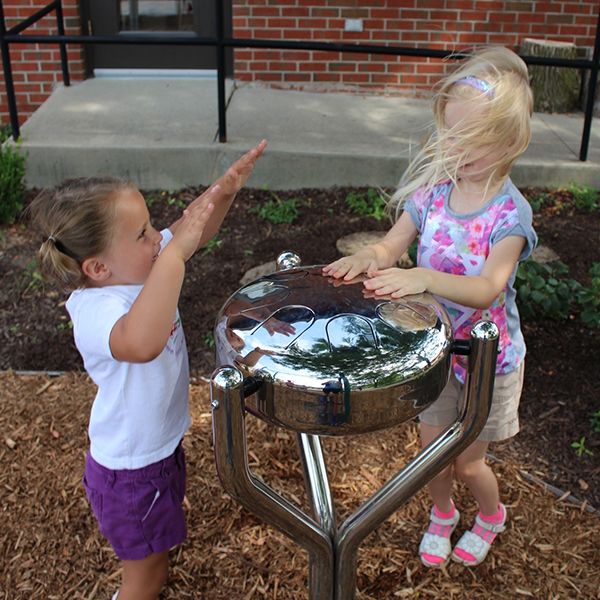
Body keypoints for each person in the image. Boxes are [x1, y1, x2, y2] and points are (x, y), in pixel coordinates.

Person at [323, 46, 537, 568]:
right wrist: (367, 258)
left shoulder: (510, 214)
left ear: (508, 141)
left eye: (471, 140)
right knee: (431, 456)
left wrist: (424, 276)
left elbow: (489, 287)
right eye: (450, 135)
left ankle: (490, 514)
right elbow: (389, 245)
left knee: (468, 463)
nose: (455, 149)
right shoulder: (433, 194)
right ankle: (441, 515)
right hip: (437, 350)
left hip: (490, 361)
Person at [27, 139, 267, 599]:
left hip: (156, 452)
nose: (157, 236)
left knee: (157, 549)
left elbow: (192, 226)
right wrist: (174, 256)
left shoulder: (138, 269)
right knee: (146, 573)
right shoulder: (95, 307)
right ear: (97, 267)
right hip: (131, 471)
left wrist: (227, 190)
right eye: (142, 233)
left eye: (151, 225)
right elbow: (141, 342)